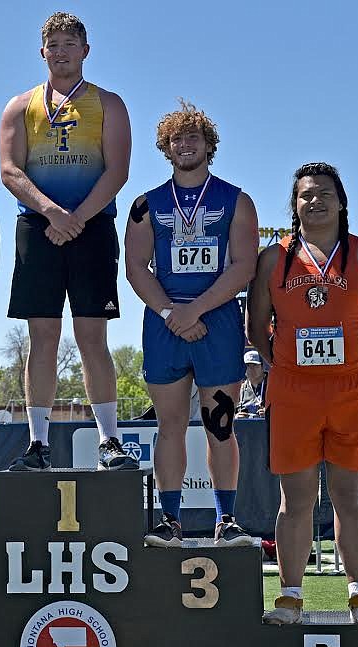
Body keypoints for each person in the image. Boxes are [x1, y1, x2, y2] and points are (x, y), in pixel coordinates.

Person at [247, 162, 358, 625]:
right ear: (293, 205)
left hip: (351, 391)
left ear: (341, 202)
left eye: (324, 194)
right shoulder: (274, 259)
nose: (314, 201)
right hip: (294, 391)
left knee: (349, 497)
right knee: (294, 500)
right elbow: (256, 328)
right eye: (305, 195)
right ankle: (290, 597)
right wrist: (282, 366)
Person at [0, 11, 136, 471]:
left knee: (92, 335)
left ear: (85, 51)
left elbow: (117, 170)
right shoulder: (20, 106)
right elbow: (10, 171)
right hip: (38, 228)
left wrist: (76, 216)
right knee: (42, 336)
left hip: (92, 225)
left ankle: (110, 441)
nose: (60, 52)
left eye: (68, 43)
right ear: (42, 53)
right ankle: (38, 444)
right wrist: (52, 212)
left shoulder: (109, 104)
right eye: (52, 45)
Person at [124, 101, 258, 548]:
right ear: (166, 147)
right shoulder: (147, 204)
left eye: (194, 137)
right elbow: (136, 267)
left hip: (217, 320)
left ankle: (227, 519)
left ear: (209, 145)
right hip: (164, 323)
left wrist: (195, 310)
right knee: (171, 425)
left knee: (220, 424)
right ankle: (170, 520)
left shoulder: (236, 200)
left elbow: (243, 267)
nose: (185, 145)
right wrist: (171, 314)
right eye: (177, 139)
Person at [236, 350, 267, 417]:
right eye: (247, 365)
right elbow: (229, 412)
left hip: (268, 426)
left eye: (255, 365)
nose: (251, 369)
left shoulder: (272, 386)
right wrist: (236, 417)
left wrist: (269, 414)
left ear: (262, 367)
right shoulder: (240, 389)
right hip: (246, 426)